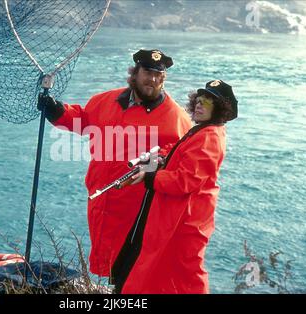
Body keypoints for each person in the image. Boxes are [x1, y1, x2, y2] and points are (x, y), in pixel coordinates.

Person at [38, 49, 192, 277]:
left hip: (138, 204)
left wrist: (157, 161)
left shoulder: (176, 116)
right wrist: (56, 111)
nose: (152, 79)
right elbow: (83, 120)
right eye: (147, 72)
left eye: (158, 75)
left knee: (132, 264)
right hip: (101, 196)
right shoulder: (104, 101)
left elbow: (180, 155)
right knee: (106, 261)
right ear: (135, 73)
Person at [111, 80, 238, 293]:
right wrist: (160, 160)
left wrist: (151, 177)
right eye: (199, 99)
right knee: (171, 272)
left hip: (186, 220)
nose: (199, 104)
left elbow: (185, 180)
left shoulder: (210, 137)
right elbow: (182, 161)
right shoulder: (203, 132)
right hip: (183, 216)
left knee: (187, 273)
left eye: (208, 101)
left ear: (220, 108)